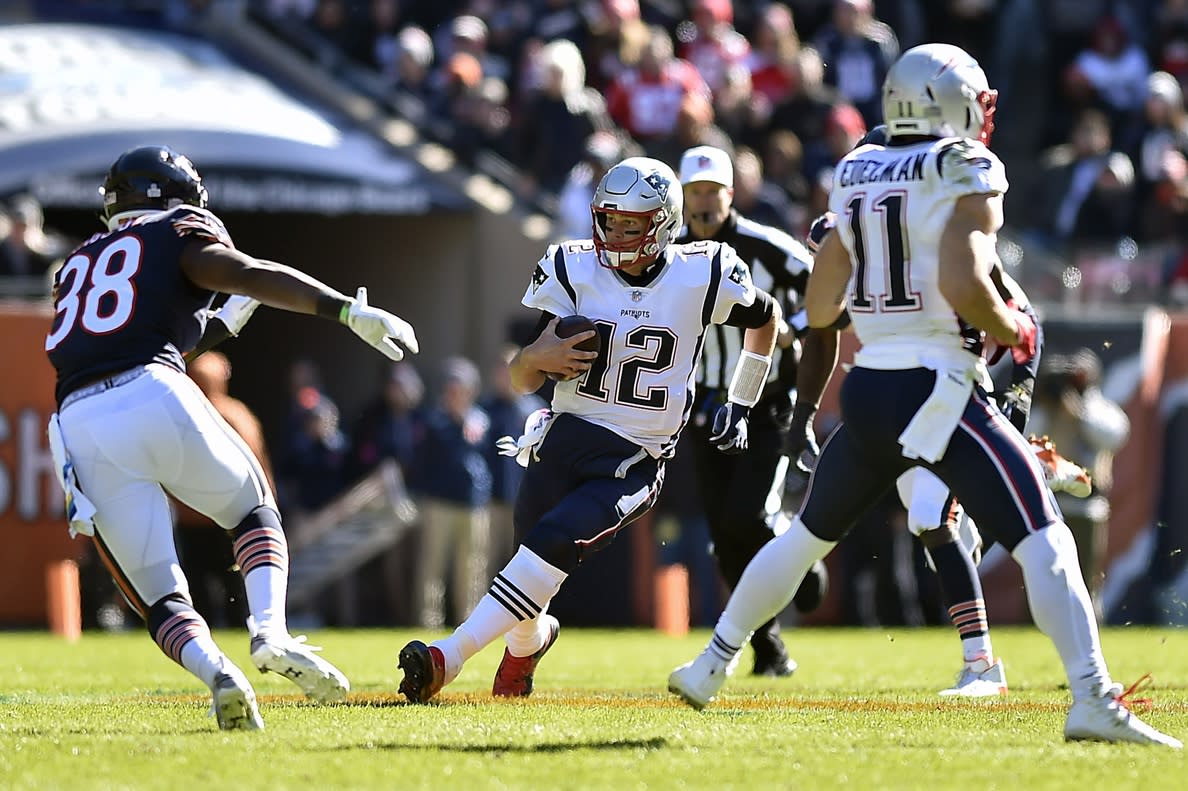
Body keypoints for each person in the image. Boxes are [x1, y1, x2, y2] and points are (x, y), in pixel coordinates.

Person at [668, 44, 1182, 748]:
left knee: (803, 537)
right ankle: (1092, 695)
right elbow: (968, 278)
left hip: (870, 385)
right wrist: (1016, 331)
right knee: (1044, 535)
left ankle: (709, 663)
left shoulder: (853, 170)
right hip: (937, 385)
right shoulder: (963, 164)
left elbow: (820, 307)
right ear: (948, 100)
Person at [44, 144, 419, 731]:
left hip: (77, 421)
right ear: (175, 196)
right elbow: (245, 273)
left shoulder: (77, 263)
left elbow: (114, 343)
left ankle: (217, 671)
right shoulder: (175, 229)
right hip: (154, 390)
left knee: (160, 594)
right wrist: (345, 311)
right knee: (250, 509)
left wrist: (215, 327)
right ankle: (268, 632)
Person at [396, 156, 782, 703]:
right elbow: (518, 374)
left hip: (635, 453)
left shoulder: (703, 271)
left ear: (664, 222)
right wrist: (537, 354)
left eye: (632, 224)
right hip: (565, 436)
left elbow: (766, 321)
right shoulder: (573, 267)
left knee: (549, 546)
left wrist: (741, 400)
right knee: (530, 563)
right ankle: (527, 648)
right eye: (609, 220)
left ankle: (446, 658)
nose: (616, 234)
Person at [676, 144, 832, 676]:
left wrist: (796, 332)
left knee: (747, 519)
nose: (702, 203)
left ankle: (800, 562)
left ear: (730, 193)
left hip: (764, 406)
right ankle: (770, 648)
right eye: (693, 192)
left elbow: (829, 290)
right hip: (700, 411)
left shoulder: (764, 247)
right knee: (725, 536)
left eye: (710, 191)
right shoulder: (669, 255)